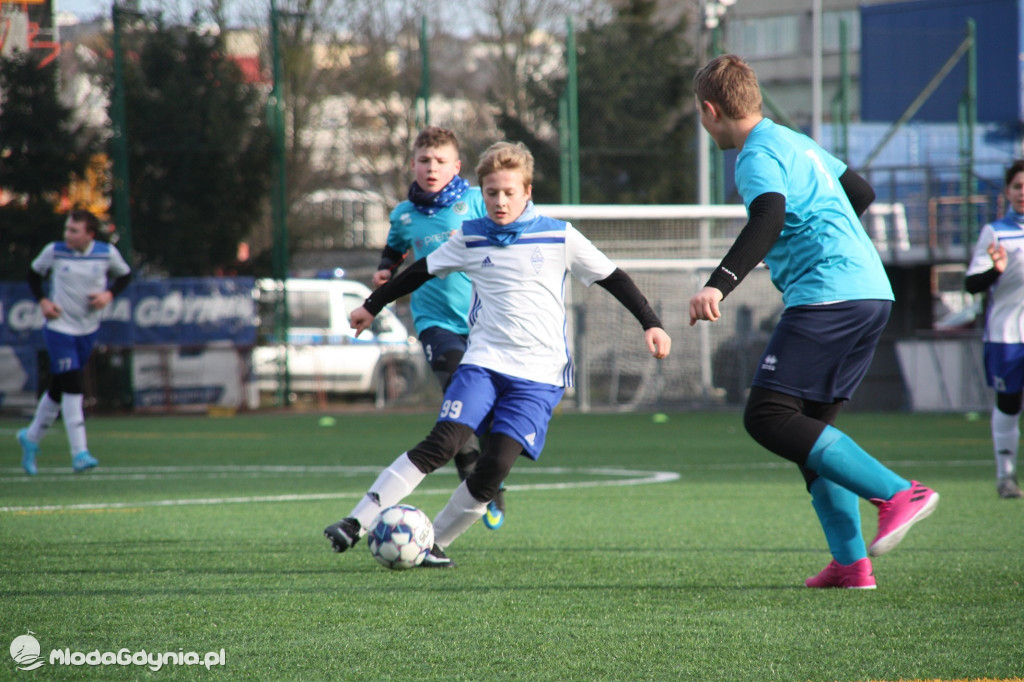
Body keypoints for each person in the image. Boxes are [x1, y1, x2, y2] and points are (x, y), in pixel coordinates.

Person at [324, 141, 671, 567]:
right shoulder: (470, 236)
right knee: (443, 444)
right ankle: (356, 522)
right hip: (484, 363)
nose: (500, 201)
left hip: (540, 376)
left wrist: (650, 322)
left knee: (495, 466)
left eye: (509, 192)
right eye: (491, 193)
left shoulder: (559, 235)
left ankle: (435, 545)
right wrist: (371, 306)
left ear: (527, 192)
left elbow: (613, 278)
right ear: (481, 193)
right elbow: (418, 271)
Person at [689, 54, 939, 589]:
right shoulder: (794, 141)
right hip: (869, 291)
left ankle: (899, 493)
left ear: (710, 110)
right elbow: (862, 193)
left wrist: (718, 282)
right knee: (810, 433)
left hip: (829, 295)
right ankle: (851, 565)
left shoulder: (755, 155)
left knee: (768, 416)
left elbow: (768, 216)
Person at [370, 126, 508, 529]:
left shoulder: (475, 202)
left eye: (441, 161)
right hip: (435, 323)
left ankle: (489, 482)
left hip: (485, 321)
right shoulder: (404, 213)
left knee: (489, 412)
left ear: (457, 167)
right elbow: (395, 247)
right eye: (425, 161)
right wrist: (384, 269)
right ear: (412, 164)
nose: (432, 168)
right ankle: (475, 481)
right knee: (458, 399)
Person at [16, 209, 132, 475]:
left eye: (74, 231)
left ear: (89, 234)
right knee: (72, 385)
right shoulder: (54, 251)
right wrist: (44, 301)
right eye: (67, 229)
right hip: (59, 328)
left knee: (59, 387)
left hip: (87, 329)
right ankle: (80, 452)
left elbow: (125, 275)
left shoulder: (105, 253)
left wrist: (109, 295)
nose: (67, 235)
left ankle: (31, 437)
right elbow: (34, 276)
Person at [965, 159, 1024, 499]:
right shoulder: (996, 232)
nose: (1022, 192)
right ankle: (1006, 477)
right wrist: (995, 271)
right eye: (1017, 186)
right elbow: (972, 284)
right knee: (1009, 404)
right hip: (1007, 336)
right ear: (1008, 191)